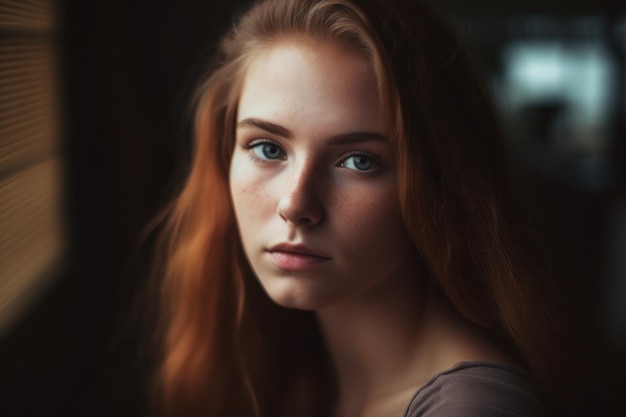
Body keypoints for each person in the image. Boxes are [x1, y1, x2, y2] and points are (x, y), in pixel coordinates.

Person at [153, 0, 569, 416]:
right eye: (267, 148)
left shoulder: (473, 410)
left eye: (359, 160)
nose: (295, 204)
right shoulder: (291, 379)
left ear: (442, 184)